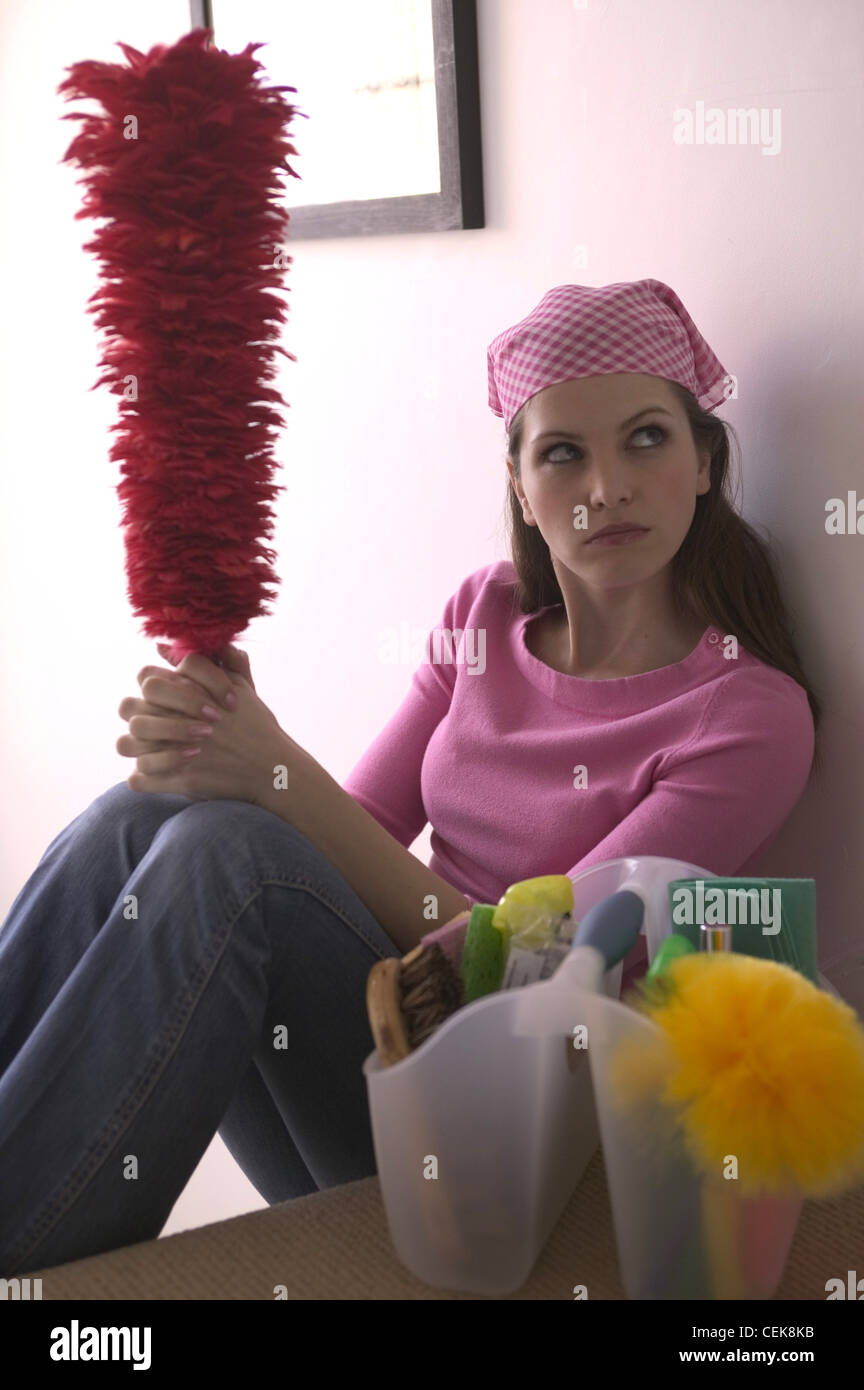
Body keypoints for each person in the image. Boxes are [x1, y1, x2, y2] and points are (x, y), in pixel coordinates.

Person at [0, 279, 820, 1277]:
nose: (605, 486)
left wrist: (273, 772)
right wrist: (229, 748)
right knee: (147, 814)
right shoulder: (483, 615)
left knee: (231, 852)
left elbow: (539, 965)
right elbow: (347, 831)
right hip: (380, 1046)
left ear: (703, 463)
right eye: (563, 451)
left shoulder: (748, 713)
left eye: (645, 438)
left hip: (521, 1127)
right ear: (521, 484)